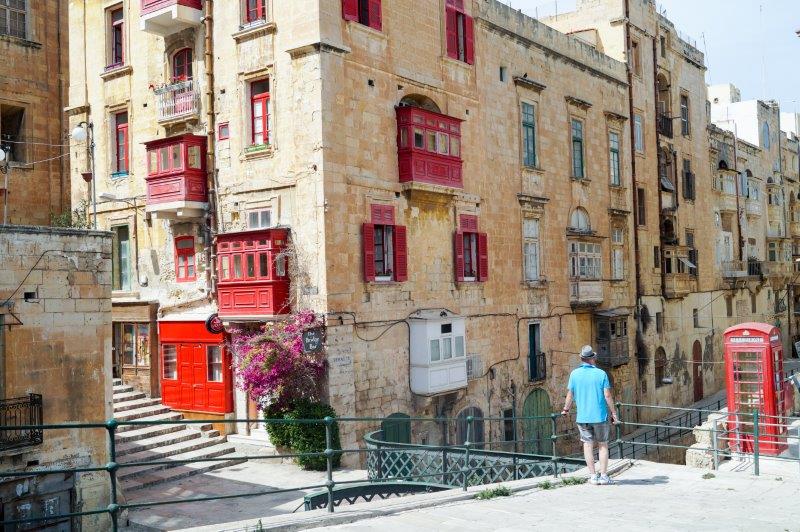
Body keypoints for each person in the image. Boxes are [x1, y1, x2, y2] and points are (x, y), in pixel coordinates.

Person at [561, 345, 619, 485]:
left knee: (587, 445)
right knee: (603, 445)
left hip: (583, 417)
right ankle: (604, 476)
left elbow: (570, 394)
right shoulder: (601, 374)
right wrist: (613, 413)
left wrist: (566, 409)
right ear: (593, 358)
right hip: (600, 416)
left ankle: (593, 476)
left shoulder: (574, 374)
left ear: (581, 358)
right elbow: (607, 395)